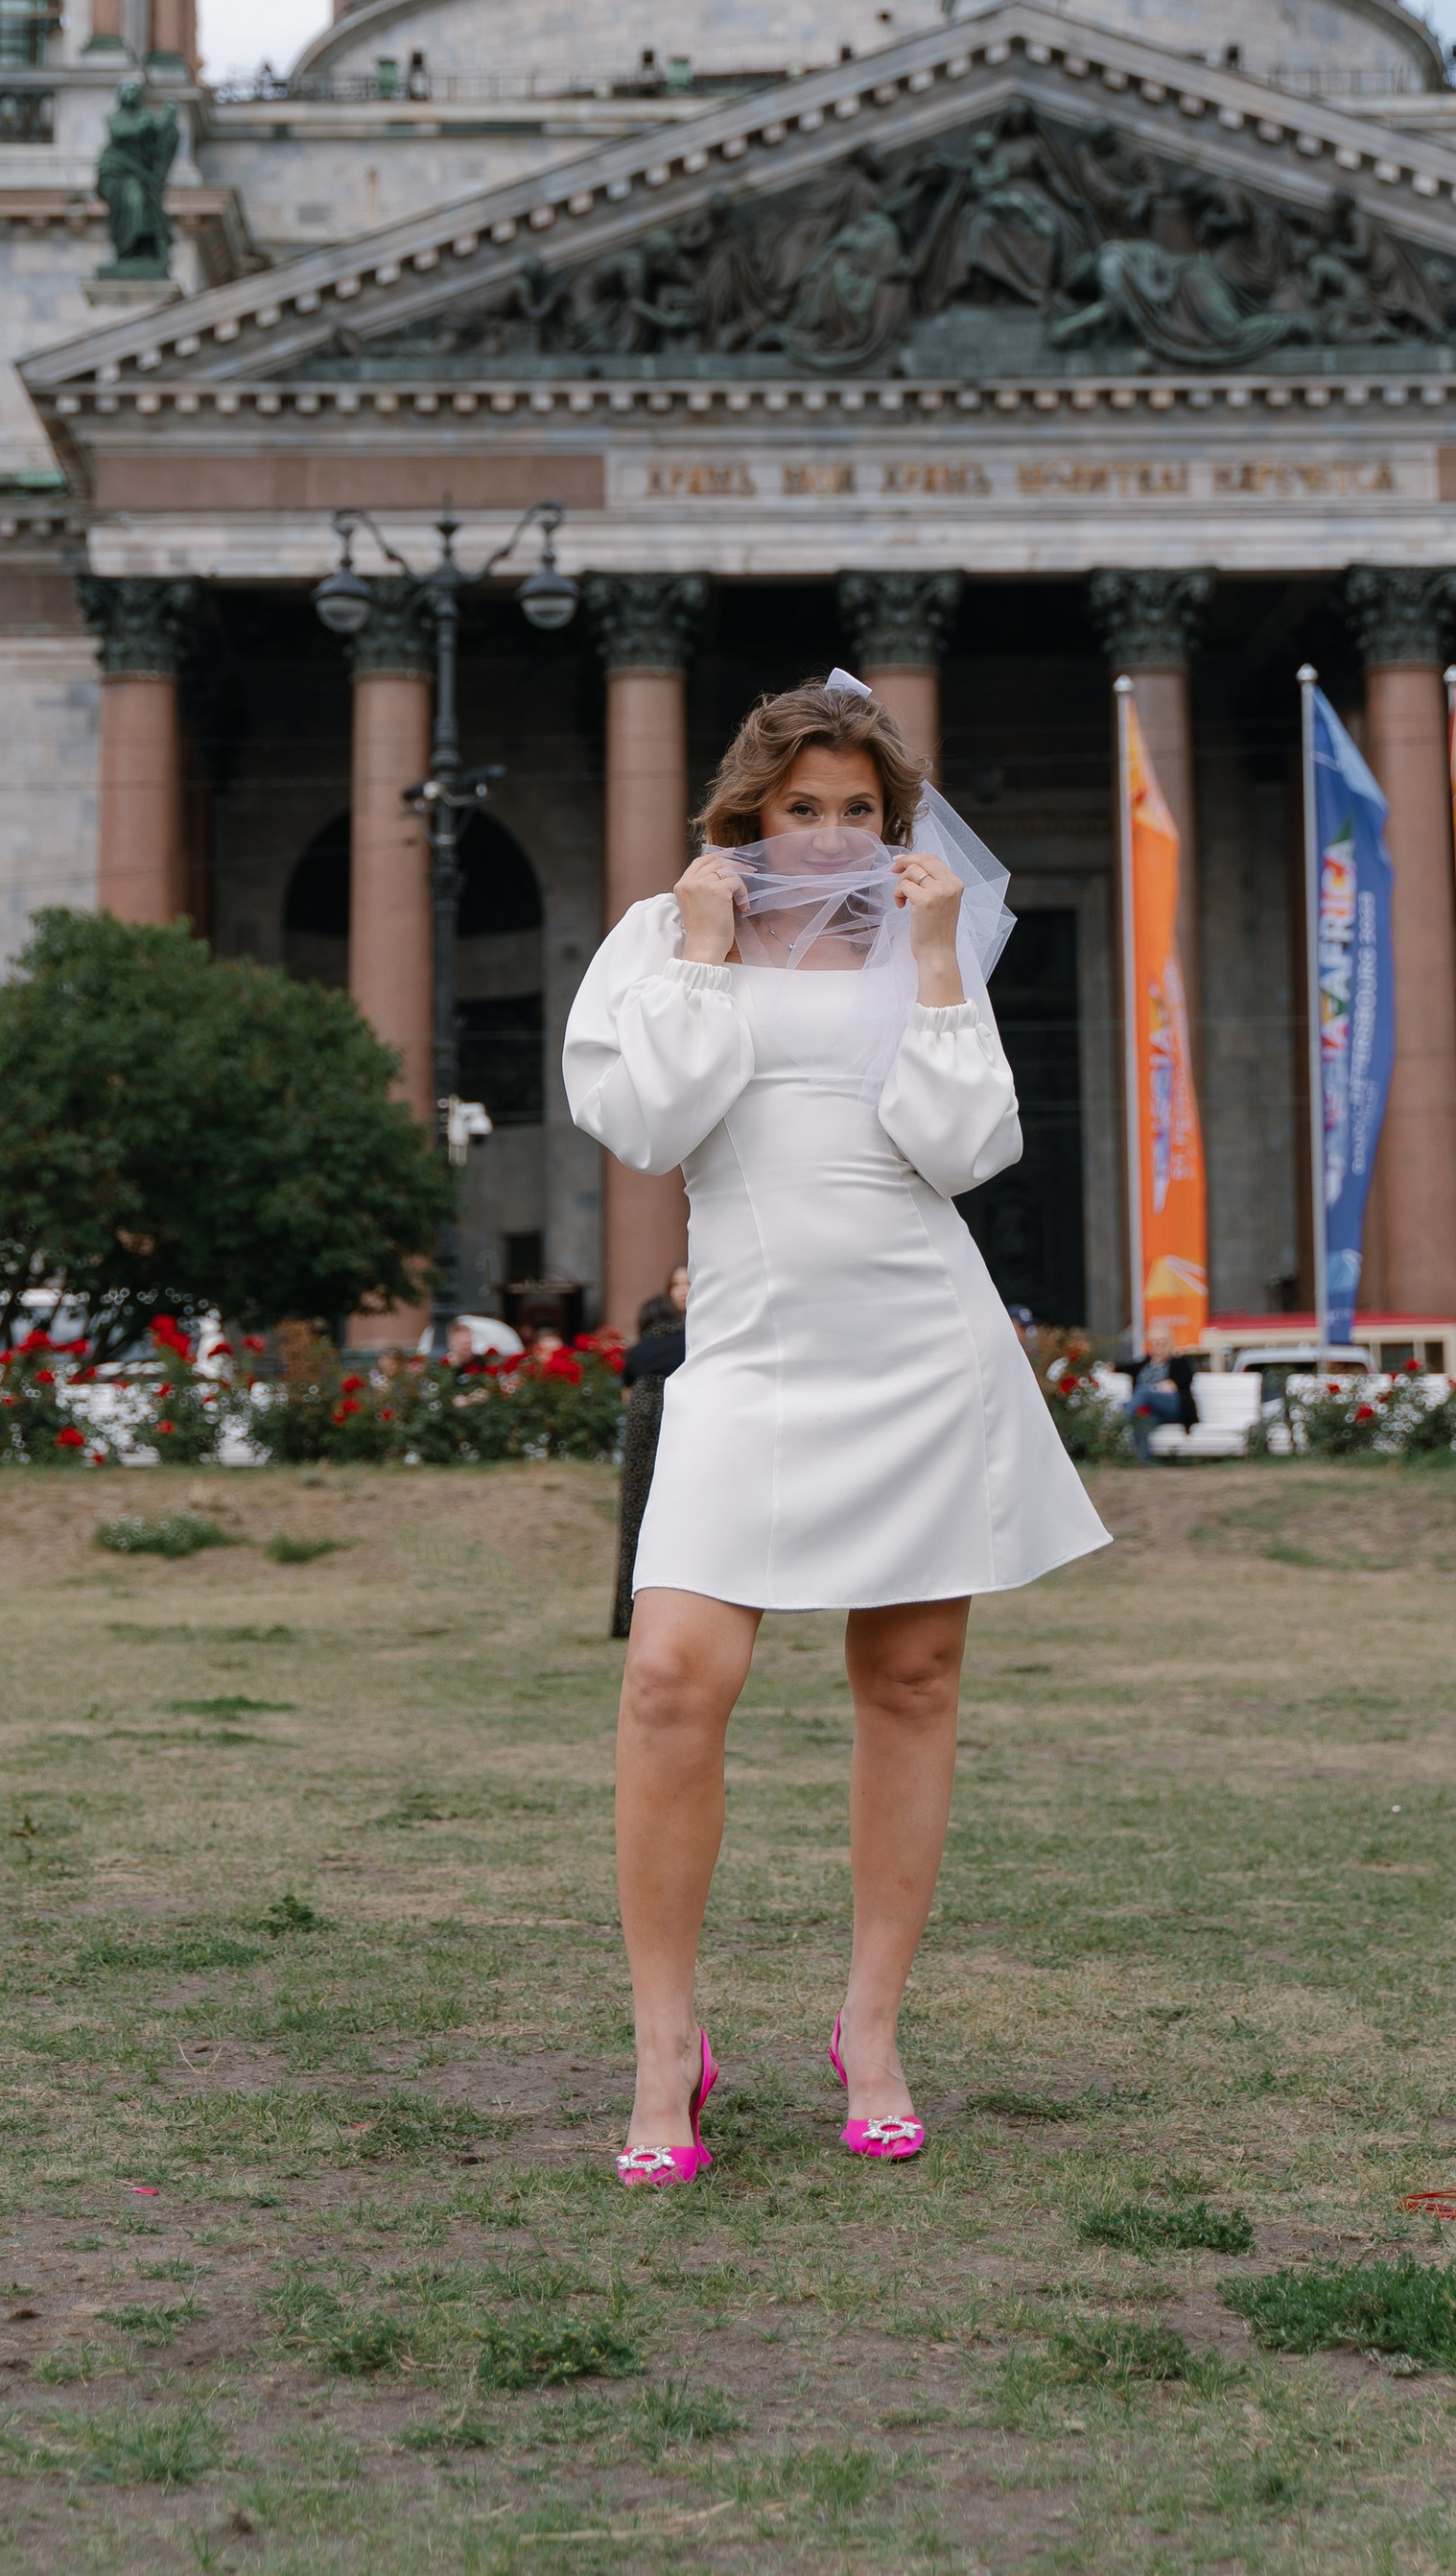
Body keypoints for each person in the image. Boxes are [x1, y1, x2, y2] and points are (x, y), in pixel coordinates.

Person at [565, 672, 1110, 2186]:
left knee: (914, 1674)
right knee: (678, 1678)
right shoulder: (666, 936)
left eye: (855, 809)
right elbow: (654, 1127)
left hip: (919, 1336)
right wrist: (700, 946)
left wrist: (934, 961)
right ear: (750, 812)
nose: (826, 835)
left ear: (894, 820)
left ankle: (872, 2032)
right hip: (747, 1344)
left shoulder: (923, 948)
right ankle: (667, 2045)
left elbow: (963, 1148)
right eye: (798, 807)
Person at [612, 1265, 690, 1641]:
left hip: (641, 1431)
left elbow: (624, 1392)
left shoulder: (639, 1354)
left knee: (636, 1519)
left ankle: (629, 1615)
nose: (684, 1290)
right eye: (676, 1283)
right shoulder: (687, 1344)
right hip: (684, 1429)